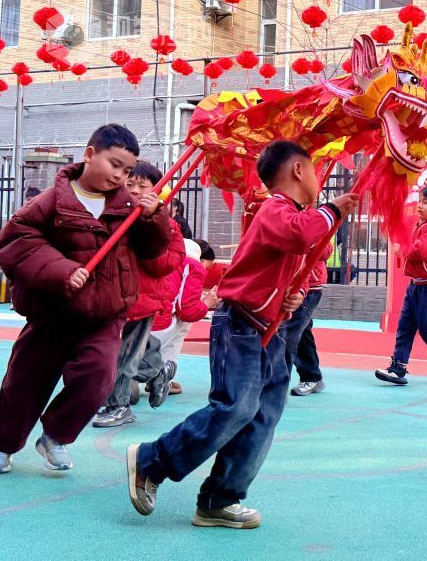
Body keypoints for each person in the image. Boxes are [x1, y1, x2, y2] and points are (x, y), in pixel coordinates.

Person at [126, 140, 358, 529]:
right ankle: (151, 460)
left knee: (264, 414)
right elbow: (298, 235)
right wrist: (333, 209)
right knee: (235, 406)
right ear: (299, 171)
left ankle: (220, 498)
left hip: (269, 327)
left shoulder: (293, 213)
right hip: (241, 323)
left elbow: (281, 262)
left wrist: (289, 295)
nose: (318, 179)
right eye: (315, 169)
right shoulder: (276, 209)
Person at [0, 124, 169, 475]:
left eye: (127, 171)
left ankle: (55, 436)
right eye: (114, 164)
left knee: (98, 379)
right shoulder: (50, 202)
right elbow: (16, 243)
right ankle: (1, 446)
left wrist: (153, 218)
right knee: (24, 383)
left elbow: (154, 250)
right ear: (89, 154)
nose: (120, 176)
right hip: (53, 312)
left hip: (104, 315)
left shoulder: (129, 206)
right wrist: (62, 269)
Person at [93, 161, 185, 428]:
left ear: (156, 191)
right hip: (113, 296)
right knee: (128, 350)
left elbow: (164, 264)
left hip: (141, 298)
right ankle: (160, 371)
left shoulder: (165, 225)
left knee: (122, 355)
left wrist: (147, 225)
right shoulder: (113, 216)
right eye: (128, 184)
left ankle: (118, 405)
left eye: (142, 186)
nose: (133, 190)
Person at [374, 183, 427, 386]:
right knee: (405, 327)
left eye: (426, 202)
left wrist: (402, 248)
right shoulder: (421, 225)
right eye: (420, 201)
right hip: (416, 284)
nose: (420, 206)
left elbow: (421, 251)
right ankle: (398, 367)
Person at [152, 238, 220, 396]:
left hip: (137, 317)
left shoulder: (166, 253)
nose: (206, 271)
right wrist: (207, 302)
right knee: (184, 323)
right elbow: (188, 311)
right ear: (202, 258)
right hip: (158, 322)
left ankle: (155, 373)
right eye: (207, 266)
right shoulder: (192, 265)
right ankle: (160, 375)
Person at [282, 244, 330, 396]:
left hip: (308, 286)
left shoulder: (318, 223)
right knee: (302, 334)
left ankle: (277, 383)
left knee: (289, 333)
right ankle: (312, 376)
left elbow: (326, 250)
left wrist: (307, 240)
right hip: (294, 283)